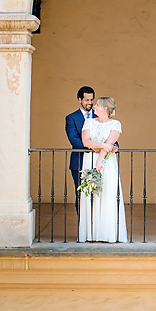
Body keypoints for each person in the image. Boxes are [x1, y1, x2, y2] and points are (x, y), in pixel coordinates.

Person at [78, 96, 128, 243]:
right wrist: (104, 147)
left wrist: (100, 158)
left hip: (106, 162)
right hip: (89, 160)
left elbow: (109, 143)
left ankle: (108, 234)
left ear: (105, 108)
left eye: (97, 105)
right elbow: (86, 142)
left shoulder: (115, 124)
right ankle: (91, 234)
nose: (94, 107)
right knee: (90, 194)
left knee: (108, 194)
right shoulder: (89, 122)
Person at [64, 86, 95, 215]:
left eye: (92, 100)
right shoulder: (71, 118)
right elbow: (74, 140)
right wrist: (96, 147)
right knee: (81, 195)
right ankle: (83, 226)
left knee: (98, 196)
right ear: (79, 100)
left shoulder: (99, 116)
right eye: (87, 100)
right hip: (79, 163)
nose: (90, 103)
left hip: (97, 162)